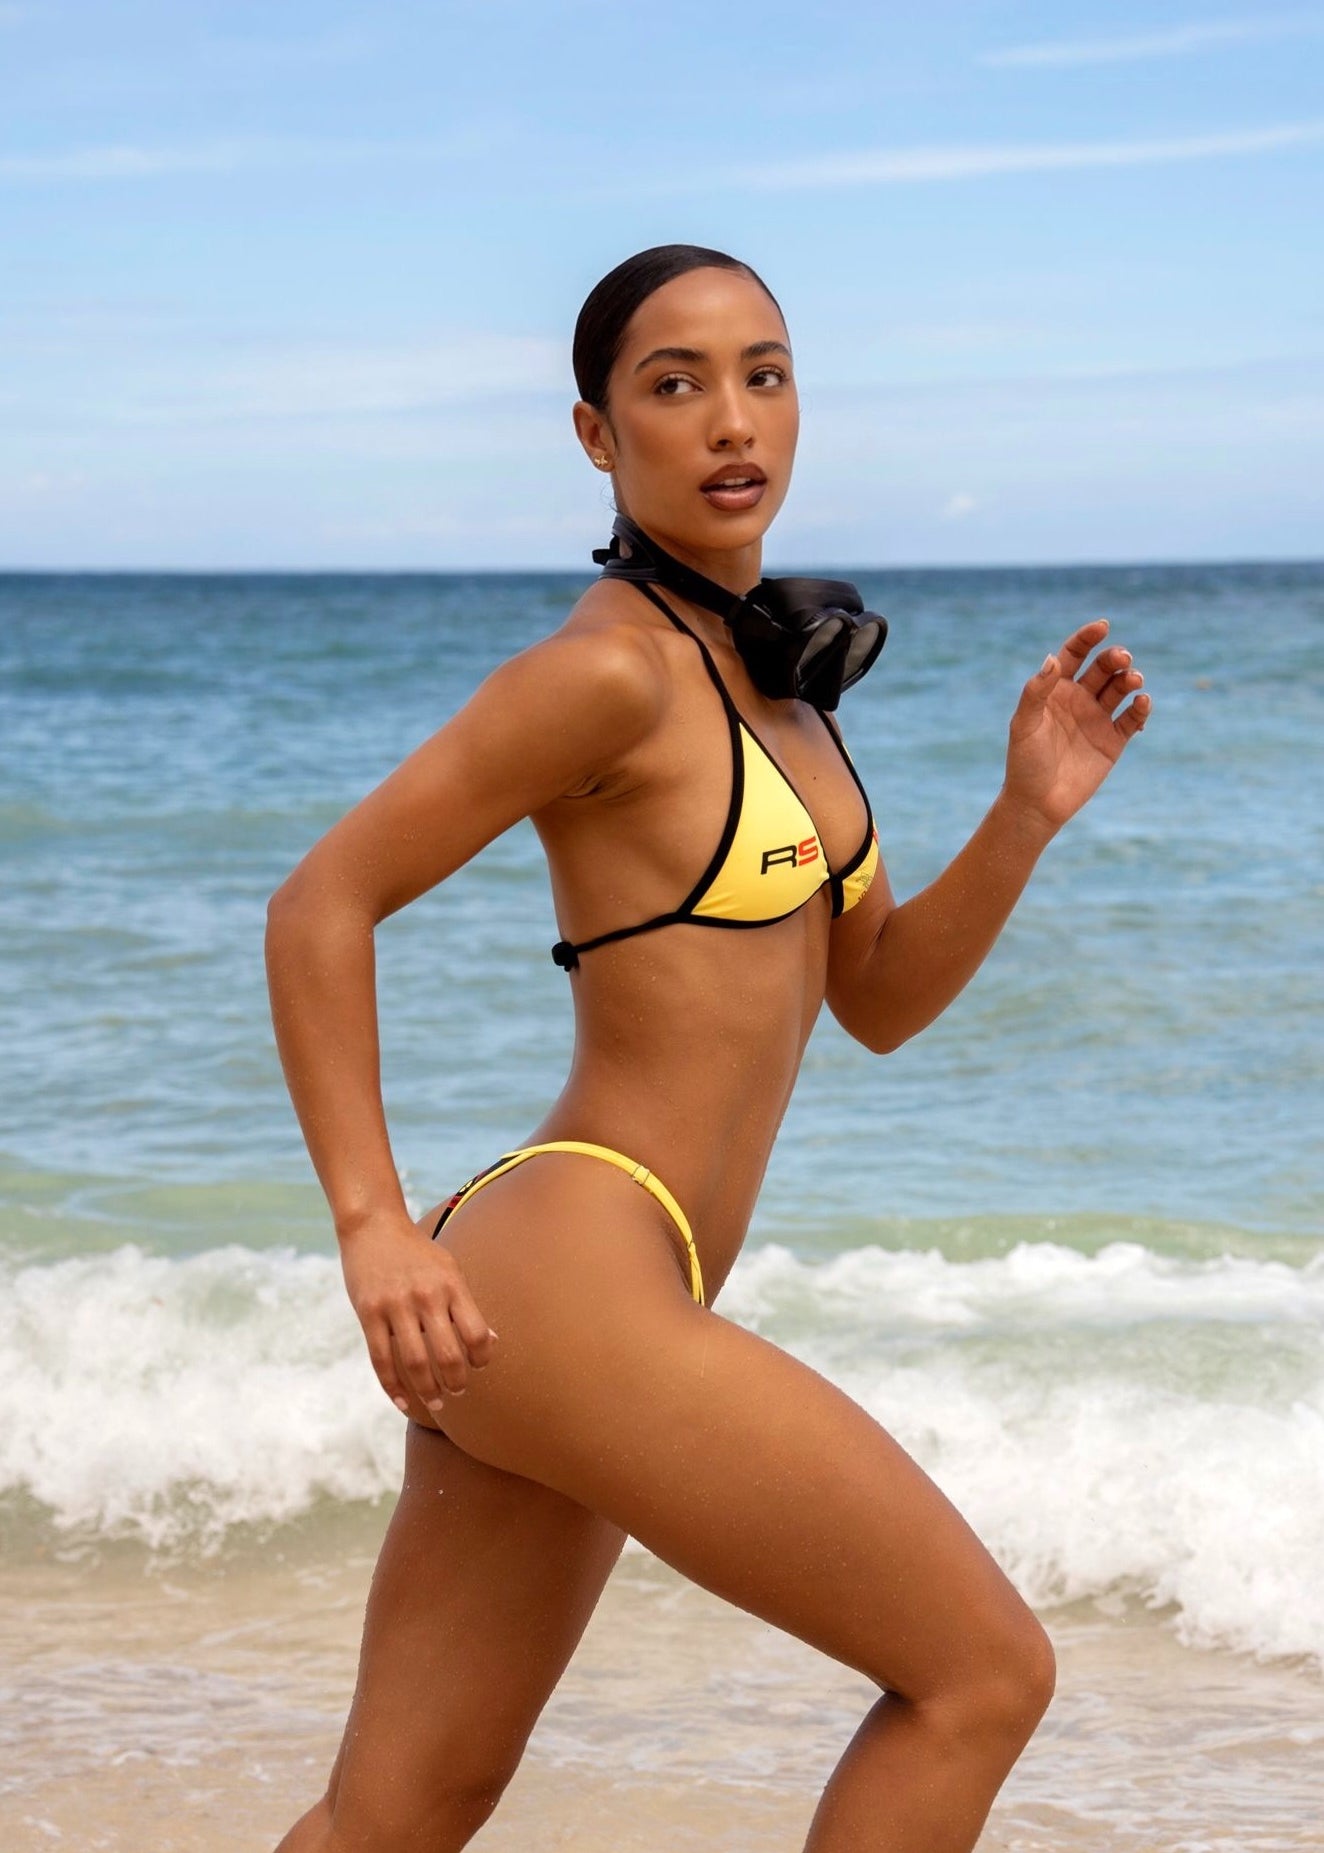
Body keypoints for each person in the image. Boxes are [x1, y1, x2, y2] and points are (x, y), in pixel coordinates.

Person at [264, 243, 1151, 1853]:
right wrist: (372, 1224)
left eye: (765, 372)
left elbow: (872, 996)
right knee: (980, 1675)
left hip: (589, 1292)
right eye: (674, 385)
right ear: (600, 436)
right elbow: (322, 902)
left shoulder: (791, 705)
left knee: (395, 1815)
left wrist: (1023, 817)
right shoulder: (607, 674)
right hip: (569, 1266)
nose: (731, 419)